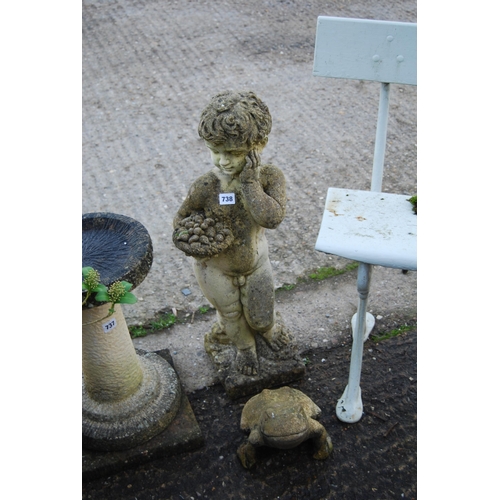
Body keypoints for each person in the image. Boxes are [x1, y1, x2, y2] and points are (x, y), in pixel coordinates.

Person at [173, 90, 289, 376]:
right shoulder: (206, 186)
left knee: (262, 315)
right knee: (231, 315)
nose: (223, 161)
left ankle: (268, 329)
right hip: (216, 268)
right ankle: (245, 349)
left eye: (235, 153)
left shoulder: (269, 178)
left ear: (259, 145)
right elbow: (182, 218)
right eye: (215, 151)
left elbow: (271, 217)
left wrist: (249, 182)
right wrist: (195, 239)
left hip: (256, 263)